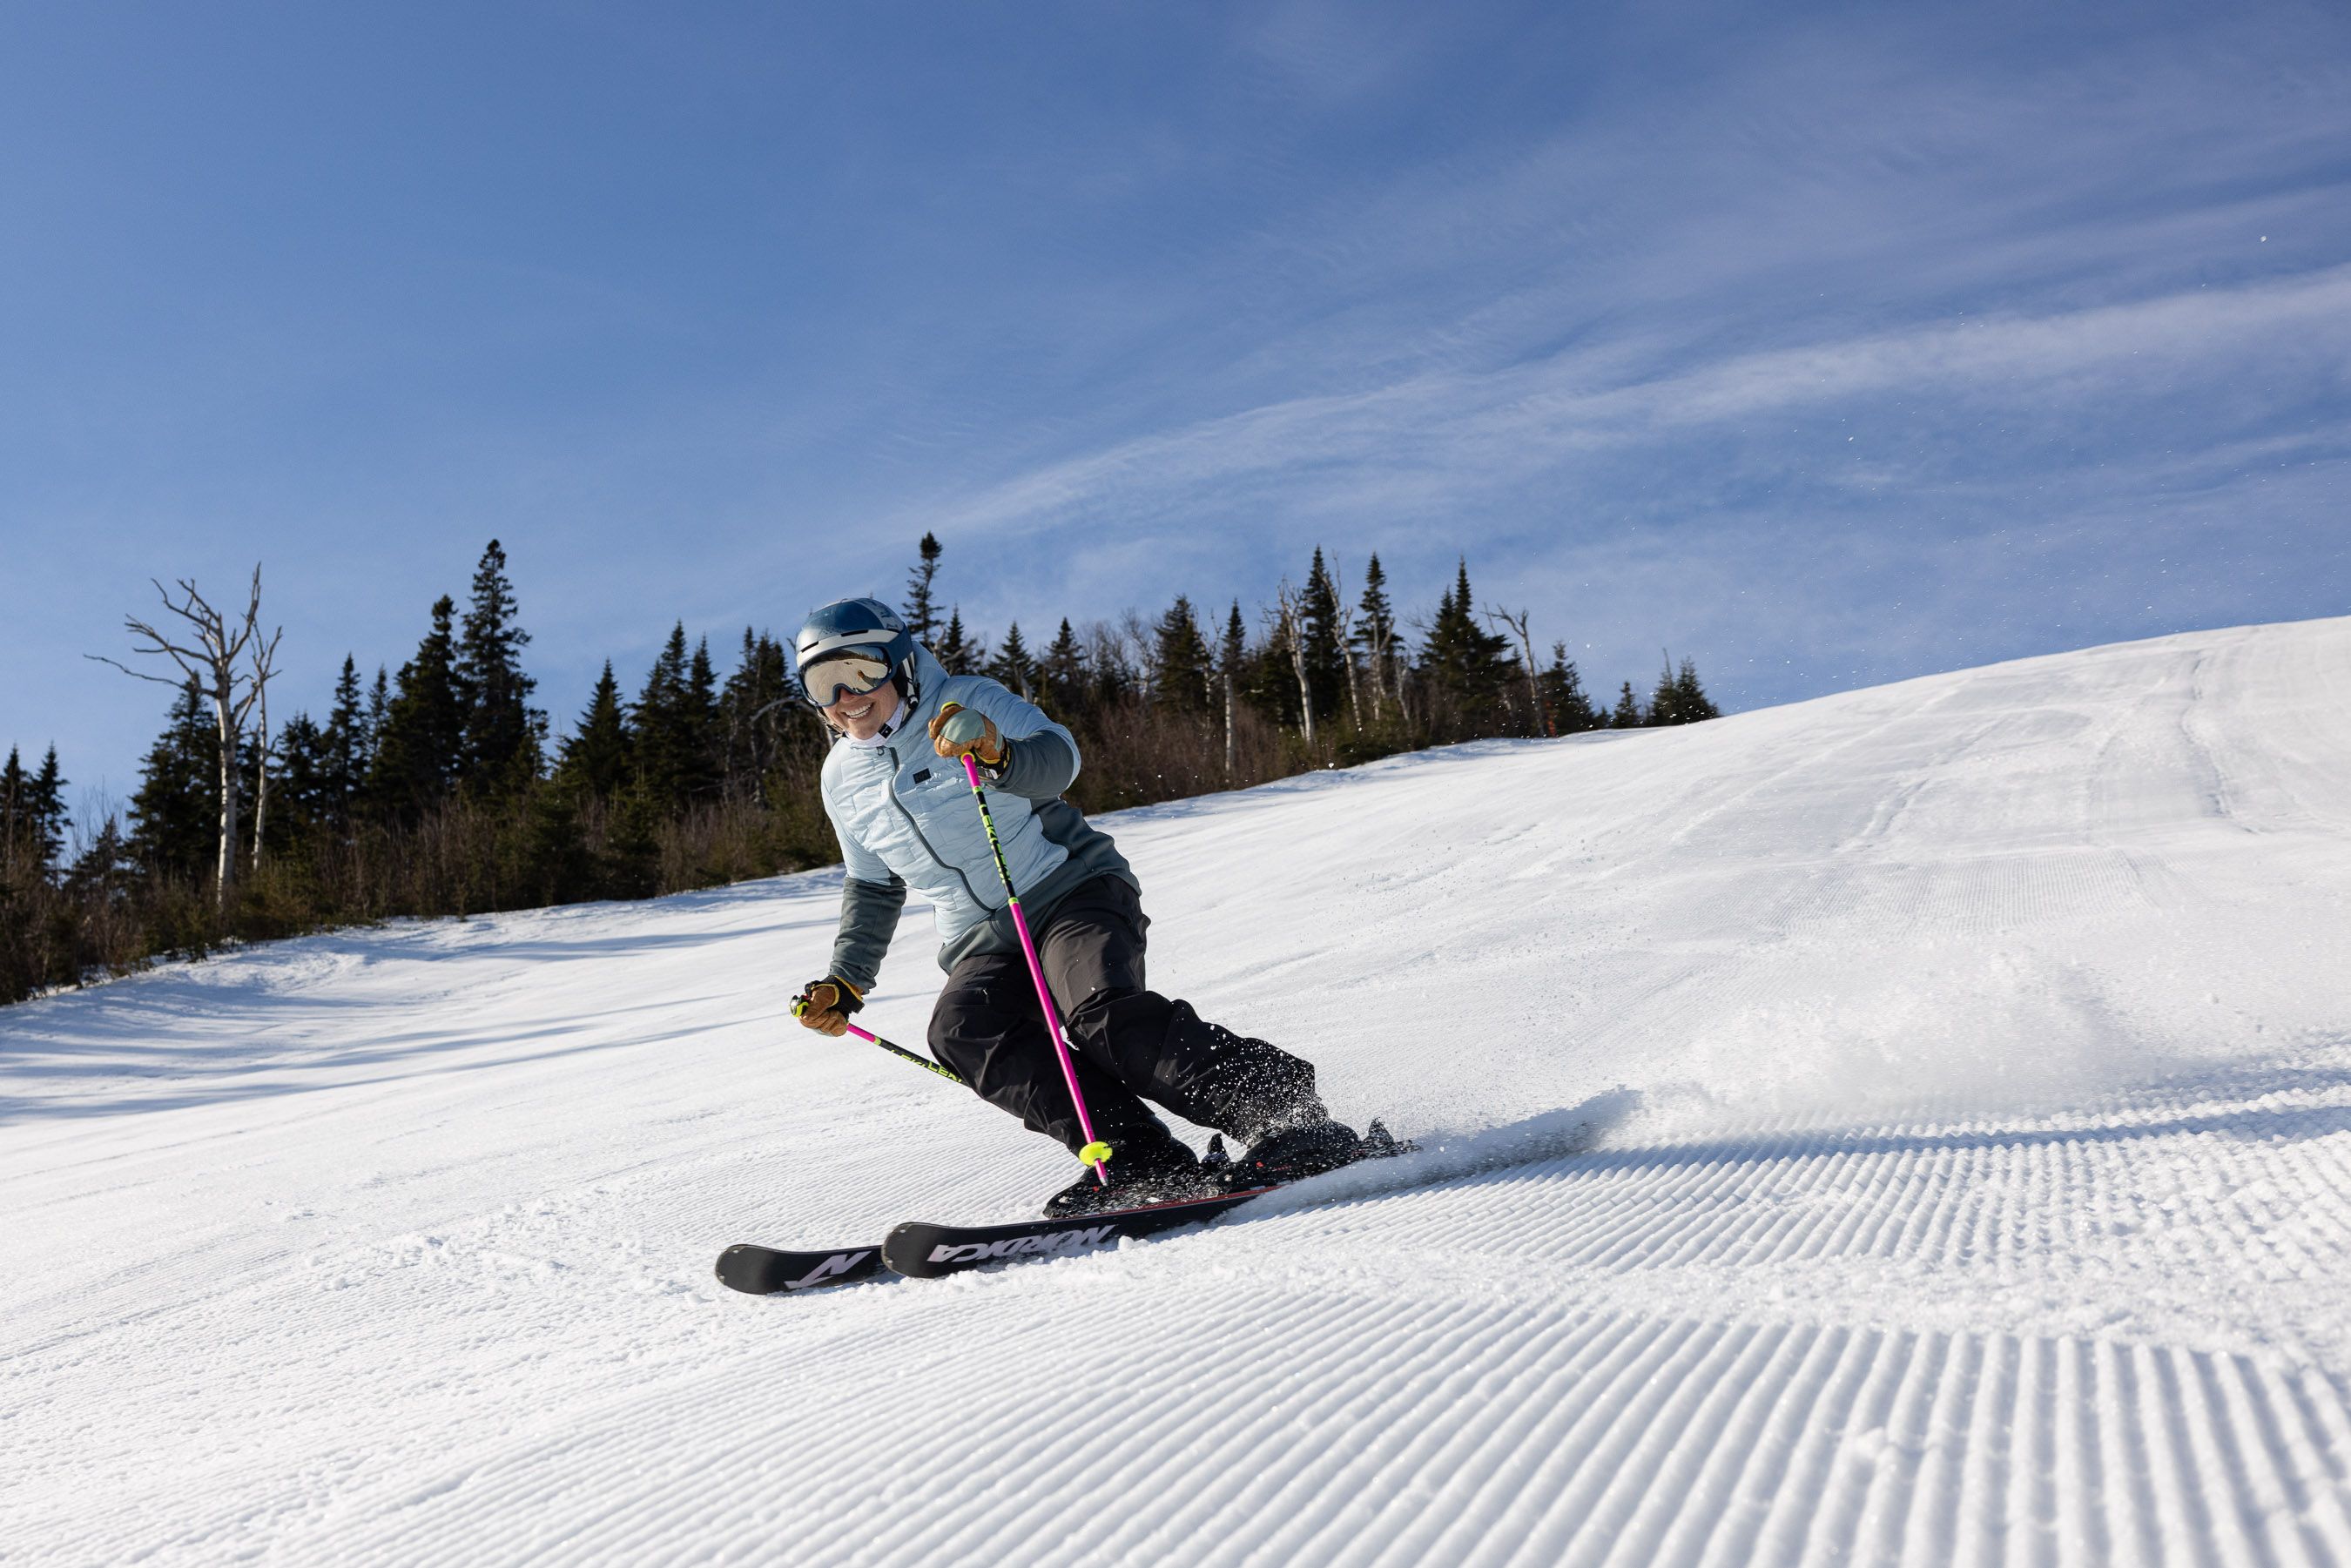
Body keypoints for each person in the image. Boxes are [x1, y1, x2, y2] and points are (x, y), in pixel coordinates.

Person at [789, 596, 1365, 1216]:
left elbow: (1060, 757)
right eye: (824, 684)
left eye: (861, 671)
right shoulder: (840, 778)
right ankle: (1138, 1156)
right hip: (981, 937)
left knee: (1100, 1012)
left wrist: (997, 750)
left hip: (1070, 889)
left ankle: (1284, 1115)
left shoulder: (966, 700)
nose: (846, 696)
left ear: (901, 664)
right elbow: (874, 885)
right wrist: (846, 980)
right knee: (964, 1031)